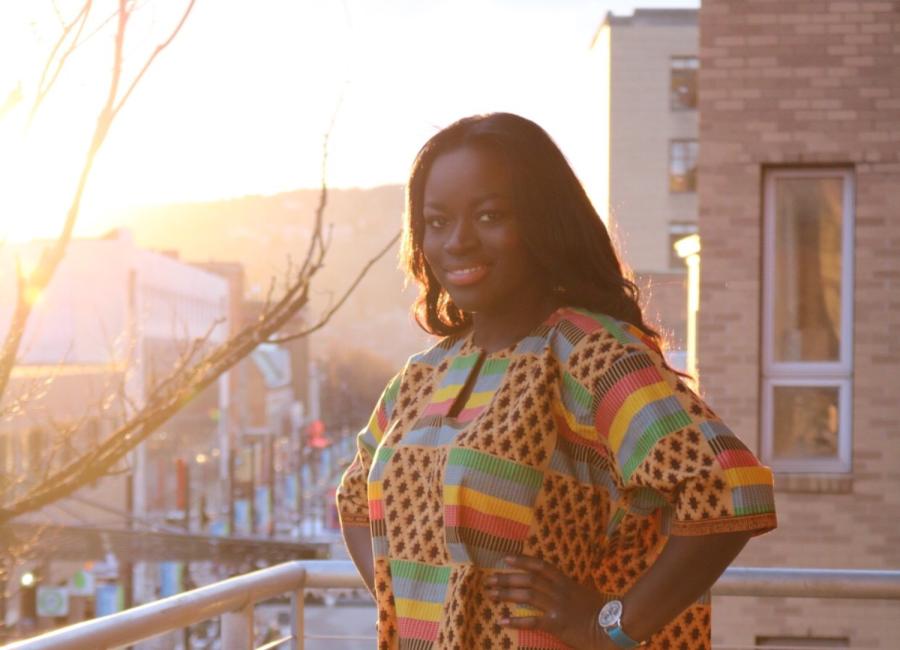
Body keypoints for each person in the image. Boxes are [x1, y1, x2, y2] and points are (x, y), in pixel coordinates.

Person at [336, 112, 776, 650]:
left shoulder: (590, 355)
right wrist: (406, 598)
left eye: (491, 215)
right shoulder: (424, 375)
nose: (458, 241)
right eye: (437, 221)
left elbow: (727, 488)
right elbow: (357, 500)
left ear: (543, 220)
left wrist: (607, 624)